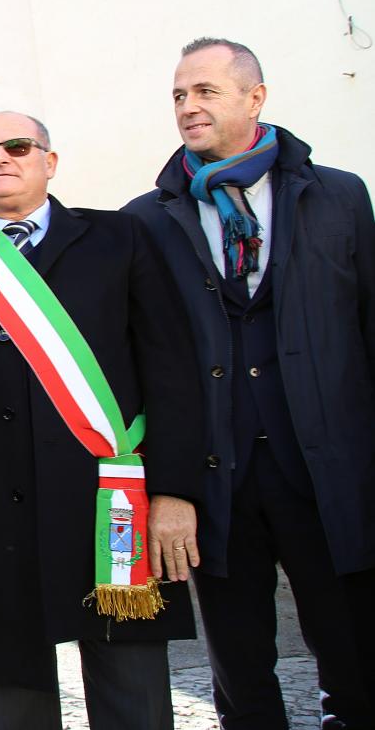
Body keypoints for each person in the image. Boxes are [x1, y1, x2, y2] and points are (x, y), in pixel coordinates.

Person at [0, 111, 204, 729]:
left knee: (133, 694)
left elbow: (172, 370)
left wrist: (175, 492)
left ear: (49, 162)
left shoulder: (120, 239)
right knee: (12, 692)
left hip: (111, 501)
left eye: (17, 146)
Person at [123, 38, 375, 728]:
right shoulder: (145, 220)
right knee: (239, 668)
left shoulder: (341, 198)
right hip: (217, 476)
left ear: (254, 98)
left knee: (355, 658)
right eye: (179, 95)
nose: (188, 107)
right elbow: (136, 357)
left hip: (327, 468)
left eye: (205, 91)